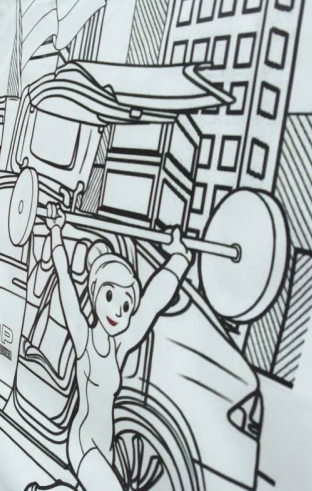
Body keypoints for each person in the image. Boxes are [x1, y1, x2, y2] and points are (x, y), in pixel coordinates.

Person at [25, 204, 192, 491]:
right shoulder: (84, 339)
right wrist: (56, 232)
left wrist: (178, 260)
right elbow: (64, 278)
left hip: (106, 449)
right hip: (83, 445)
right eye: (110, 295)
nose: (117, 310)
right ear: (94, 292)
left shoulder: (120, 347)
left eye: (126, 305)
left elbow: (151, 304)